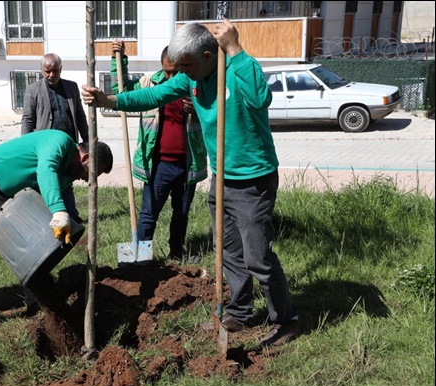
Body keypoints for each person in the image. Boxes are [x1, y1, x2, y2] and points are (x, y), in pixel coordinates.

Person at [81, 20, 300, 347]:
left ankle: (285, 320)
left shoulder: (239, 68)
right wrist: (109, 101)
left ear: (210, 56)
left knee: (257, 256)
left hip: (253, 180)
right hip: (221, 180)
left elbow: (260, 100)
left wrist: (236, 49)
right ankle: (240, 313)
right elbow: (153, 95)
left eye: (186, 65)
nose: (180, 72)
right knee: (228, 252)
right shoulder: (190, 78)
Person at [0, 130, 113, 341]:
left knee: (32, 245)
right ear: (85, 157)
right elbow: (45, 171)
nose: (86, 179)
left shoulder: (68, 174)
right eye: (91, 173)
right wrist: (58, 211)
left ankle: (34, 300)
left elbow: (51, 200)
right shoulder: (59, 142)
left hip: (12, 196)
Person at [110, 39, 208, 263]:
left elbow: (216, 113)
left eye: (176, 72)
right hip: (158, 164)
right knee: (148, 215)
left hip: (187, 163)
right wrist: (119, 60)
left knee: (181, 214)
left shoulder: (195, 85)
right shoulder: (150, 83)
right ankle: (142, 258)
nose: (171, 78)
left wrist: (199, 109)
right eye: (167, 72)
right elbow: (120, 90)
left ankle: (176, 254)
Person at [21, 53, 89, 224]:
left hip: (68, 148)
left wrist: (88, 141)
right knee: (46, 181)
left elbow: (80, 116)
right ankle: (45, 217)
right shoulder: (33, 90)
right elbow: (28, 119)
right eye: (47, 71)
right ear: (42, 71)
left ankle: (72, 215)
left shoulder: (71, 88)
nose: (51, 75)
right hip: (45, 149)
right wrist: (25, 145)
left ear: (61, 69)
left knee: (65, 181)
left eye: (55, 71)